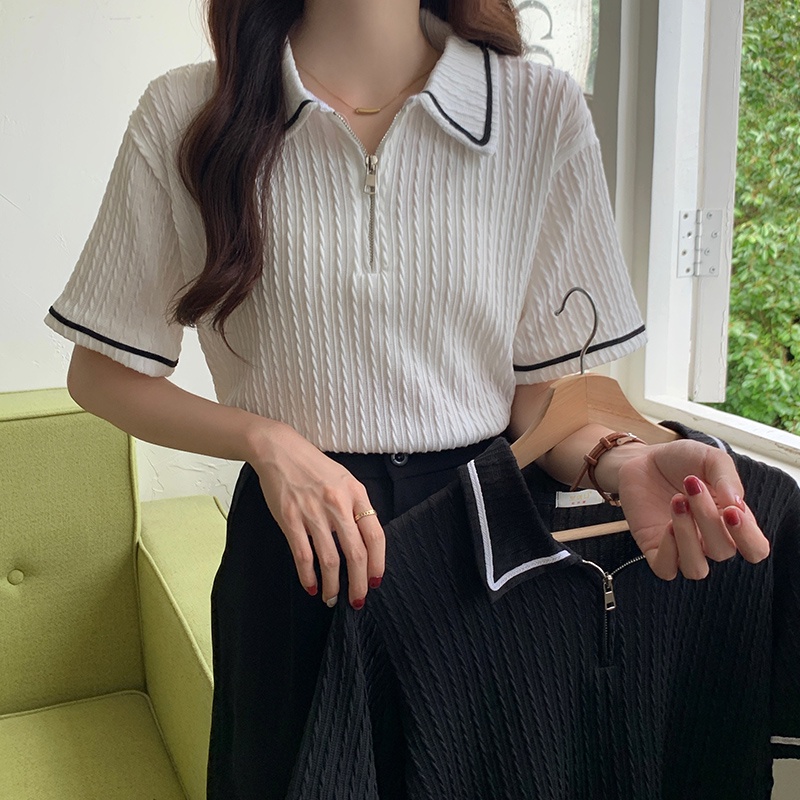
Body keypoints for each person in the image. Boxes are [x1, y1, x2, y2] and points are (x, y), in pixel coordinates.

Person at [46, 1, 770, 797]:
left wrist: (619, 461)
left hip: (480, 551)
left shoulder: (538, 110)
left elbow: (539, 403)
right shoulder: (190, 112)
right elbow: (100, 374)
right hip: (296, 556)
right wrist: (267, 441)